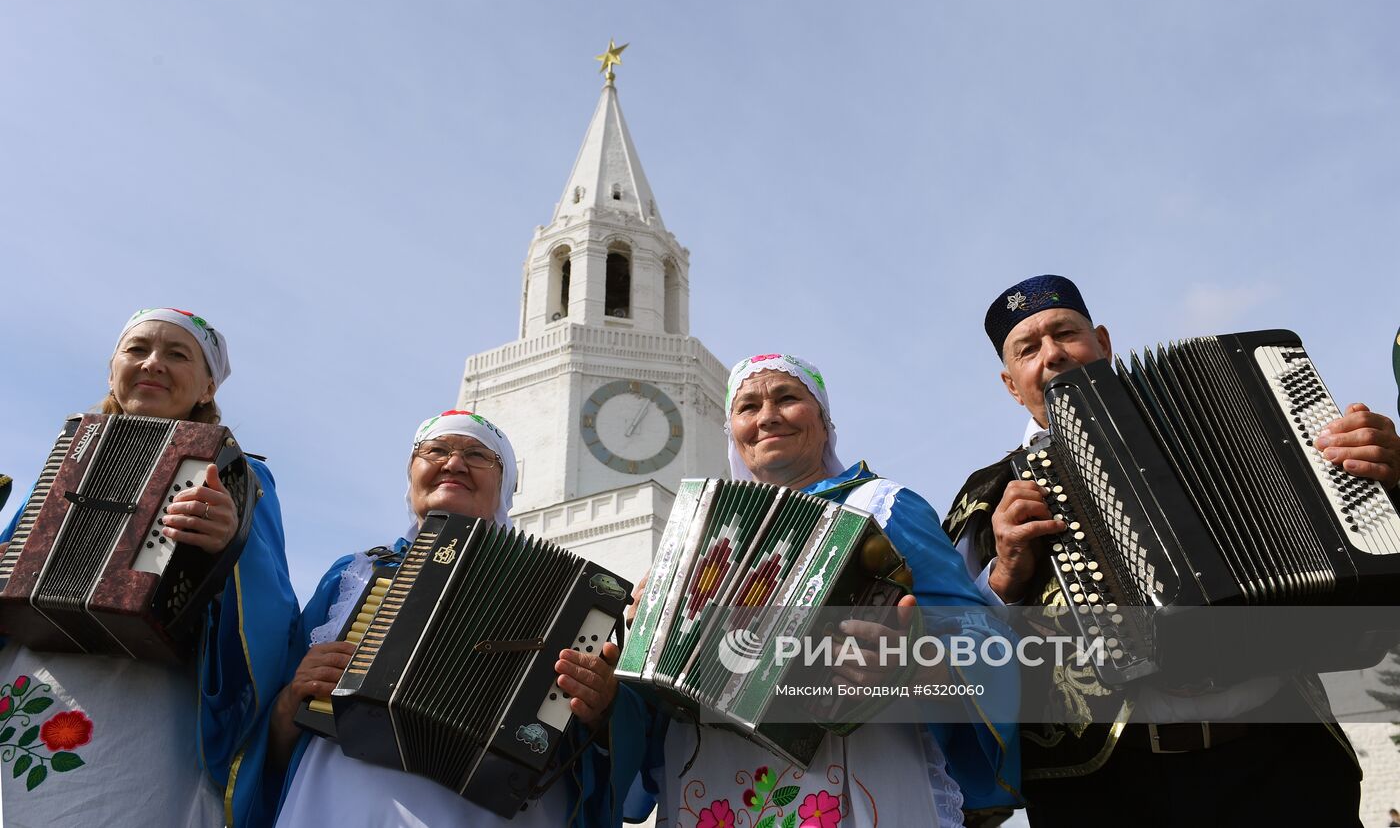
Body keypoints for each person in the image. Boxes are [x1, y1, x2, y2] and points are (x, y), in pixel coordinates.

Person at [945, 274, 1400, 827]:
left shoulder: (1237, 419)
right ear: (1012, 384)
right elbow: (948, 651)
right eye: (1028, 348)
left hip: (1285, 761)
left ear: (1103, 345)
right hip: (1104, 789)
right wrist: (1002, 580)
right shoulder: (987, 497)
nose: (1053, 355)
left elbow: (1362, 546)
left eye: (1065, 332)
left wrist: (1384, 480)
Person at [623, 353, 1021, 828]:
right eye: (747, 407)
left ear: (824, 421)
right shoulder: (691, 540)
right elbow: (660, 691)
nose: (767, 416)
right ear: (733, 433)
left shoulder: (883, 505)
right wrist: (644, 633)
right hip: (711, 786)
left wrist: (913, 657)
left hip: (853, 779)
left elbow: (976, 634)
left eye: (787, 398)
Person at [0, 307, 300, 827]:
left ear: (207, 387)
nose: (153, 363)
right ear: (112, 367)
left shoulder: (239, 475)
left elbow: (271, 605)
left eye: (177, 354)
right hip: (35, 680)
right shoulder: (70, 452)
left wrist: (230, 548)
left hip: (147, 703)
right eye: (137, 350)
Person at [270, 409, 641, 827]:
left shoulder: (566, 597)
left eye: (478, 455)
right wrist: (291, 701)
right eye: (437, 450)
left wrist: (603, 705)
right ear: (411, 473)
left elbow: (603, 756)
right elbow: (262, 740)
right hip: (338, 806)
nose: (454, 463)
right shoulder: (352, 575)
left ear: (505, 486)